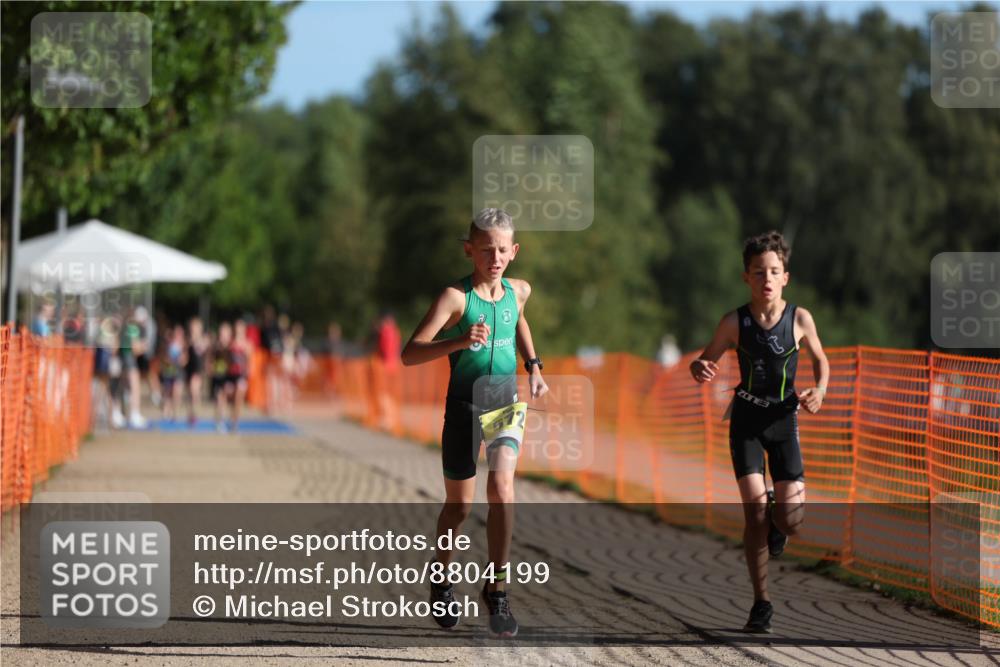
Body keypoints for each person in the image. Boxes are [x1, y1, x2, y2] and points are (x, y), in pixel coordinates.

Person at [401, 208, 548, 638]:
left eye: (502, 249)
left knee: (502, 489)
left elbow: (519, 318)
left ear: (514, 251)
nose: (495, 257)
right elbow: (411, 353)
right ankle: (443, 579)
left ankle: (498, 588)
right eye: (486, 250)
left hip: (504, 401)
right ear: (469, 250)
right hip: (464, 405)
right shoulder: (455, 298)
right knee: (459, 508)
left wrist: (534, 365)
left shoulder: (519, 291)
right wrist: (461, 341)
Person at [689, 230, 829, 633]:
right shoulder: (734, 322)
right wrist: (700, 368)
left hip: (784, 423)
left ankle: (777, 522)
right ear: (746, 278)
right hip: (747, 422)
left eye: (773, 271)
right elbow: (704, 361)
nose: (766, 279)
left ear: (786, 276)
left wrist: (819, 390)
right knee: (753, 513)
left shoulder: (800, 319)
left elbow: (821, 361)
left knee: (792, 522)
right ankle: (761, 603)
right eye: (757, 272)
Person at [158, 324, 187, 421]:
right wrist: (169, 360)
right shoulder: (168, 344)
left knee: (176, 392)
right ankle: (166, 412)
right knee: (167, 392)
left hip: (178, 372)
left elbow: (185, 360)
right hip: (169, 371)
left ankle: (174, 413)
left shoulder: (183, 345)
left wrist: (180, 359)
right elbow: (163, 357)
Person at [185, 317, 209, 427]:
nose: (193, 330)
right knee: (190, 392)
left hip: (198, 370)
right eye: (192, 328)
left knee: (194, 391)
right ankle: (191, 413)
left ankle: (194, 414)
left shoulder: (203, 340)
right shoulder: (188, 340)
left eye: (196, 328)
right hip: (189, 369)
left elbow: (204, 350)